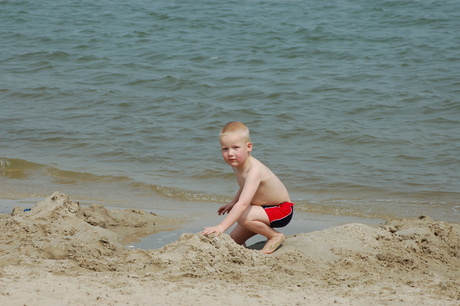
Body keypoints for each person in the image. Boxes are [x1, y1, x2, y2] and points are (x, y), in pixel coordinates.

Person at [202, 121, 294, 254]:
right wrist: (233, 202)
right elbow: (245, 187)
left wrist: (221, 227)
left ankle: (274, 236)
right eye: (225, 149)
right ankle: (246, 254)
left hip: (281, 210)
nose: (230, 153)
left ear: (249, 147)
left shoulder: (254, 170)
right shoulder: (238, 165)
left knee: (241, 213)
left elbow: (244, 203)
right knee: (234, 240)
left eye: (235, 147)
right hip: (262, 210)